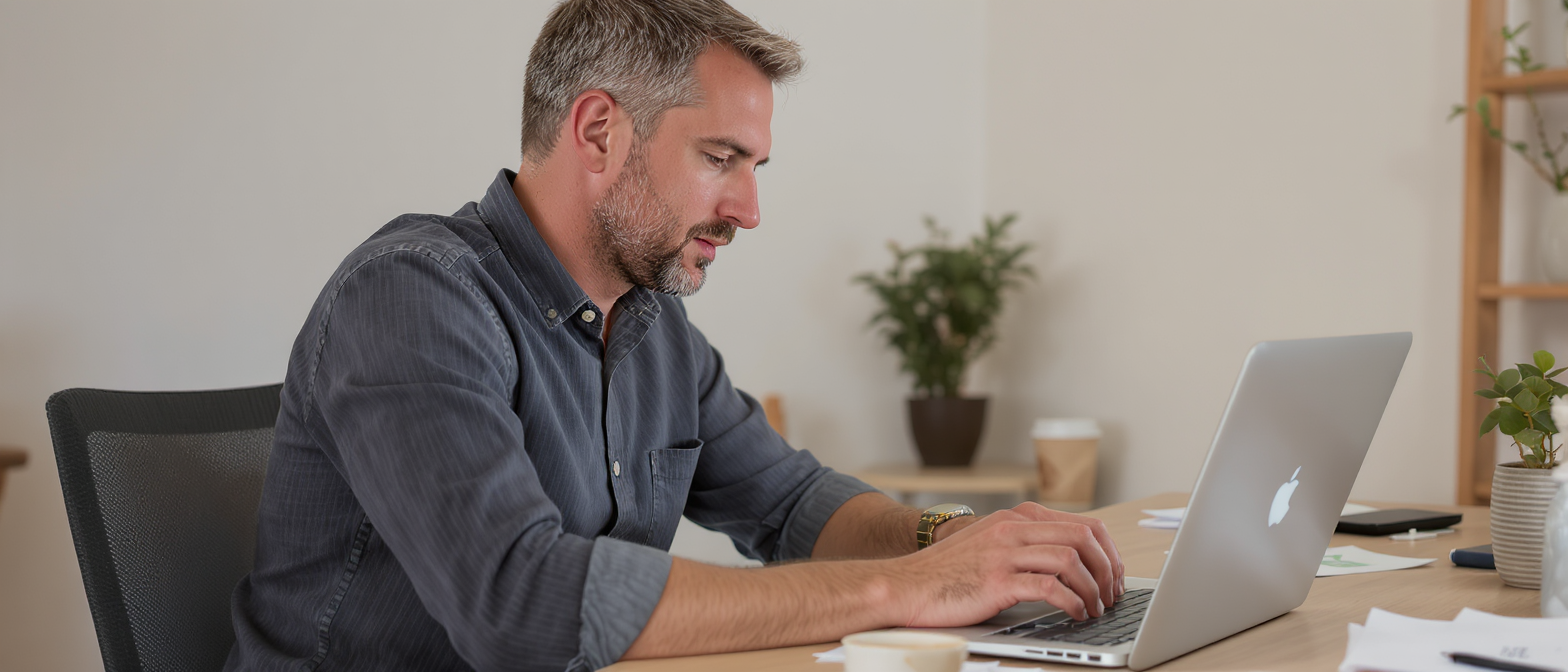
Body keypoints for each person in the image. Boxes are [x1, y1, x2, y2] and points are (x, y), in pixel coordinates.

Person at [225, 1, 1125, 671]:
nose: (749, 208)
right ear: (600, 131)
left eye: (754, 167)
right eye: (720, 159)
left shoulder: (653, 326)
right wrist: (916, 589)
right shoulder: (413, 297)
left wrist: (952, 542)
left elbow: (792, 504)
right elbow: (516, 601)